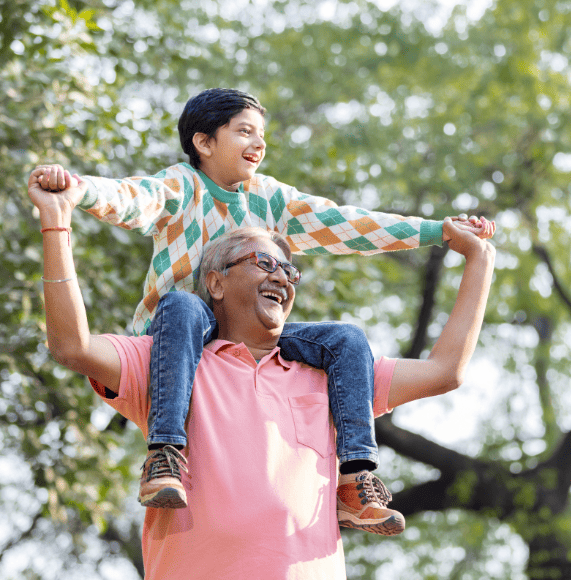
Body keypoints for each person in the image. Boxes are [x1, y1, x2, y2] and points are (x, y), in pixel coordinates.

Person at [32, 87, 493, 535]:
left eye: (262, 136)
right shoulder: (181, 186)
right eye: (244, 132)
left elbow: (346, 224)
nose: (259, 143)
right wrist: (76, 189)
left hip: (247, 330)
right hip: (180, 333)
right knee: (184, 305)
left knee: (346, 339)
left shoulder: (269, 198)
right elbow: (131, 199)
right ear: (204, 142)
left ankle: (355, 476)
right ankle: (165, 451)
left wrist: (439, 232)